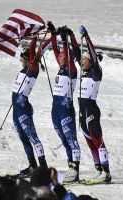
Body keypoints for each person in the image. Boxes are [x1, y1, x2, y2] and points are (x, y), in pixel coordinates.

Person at [43, 22, 81, 182]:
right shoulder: (61, 66)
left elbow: (64, 50)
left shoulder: (72, 69)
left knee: (71, 138)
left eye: (63, 55)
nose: (59, 56)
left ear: (69, 58)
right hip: (55, 110)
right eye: (59, 56)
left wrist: (65, 39)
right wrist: (53, 33)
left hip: (66, 110)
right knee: (64, 139)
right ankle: (70, 164)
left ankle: (76, 169)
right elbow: (55, 48)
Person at [78, 26, 111, 183]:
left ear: (91, 61)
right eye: (82, 60)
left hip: (91, 110)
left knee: (98, 141)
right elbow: (76, 53)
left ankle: (106, 172)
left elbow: (92, 55)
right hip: (82, 112)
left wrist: (87, 37)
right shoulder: (83, 71)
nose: (81, 62)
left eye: (84, 60)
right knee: (91, 144)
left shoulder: (96, 72)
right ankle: (99, 170)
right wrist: (67, 36)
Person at [12, 35, 48, 177]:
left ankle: (43, 168)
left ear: (28, 59)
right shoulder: (24, 69)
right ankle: (33, 166)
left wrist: (34, 38)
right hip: (16, 109)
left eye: (22, 58)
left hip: (23, 109)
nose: (20, 60)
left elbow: (33, 51)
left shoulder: (33, 68)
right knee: (23, 138)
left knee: (33, 138)